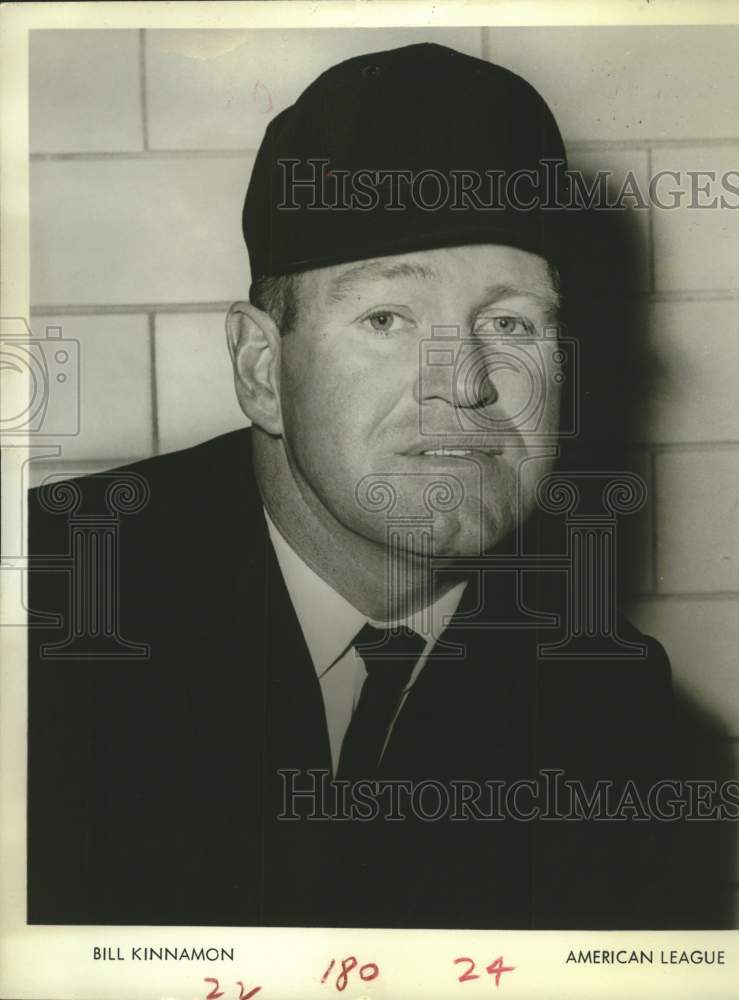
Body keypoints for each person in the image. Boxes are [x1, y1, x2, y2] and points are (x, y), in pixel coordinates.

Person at [27, 42, 682, 929]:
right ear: (263, 367)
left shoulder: (609, 705)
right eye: (386, 318)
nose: (465, 384)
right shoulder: (45, 607)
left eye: (509, 322)